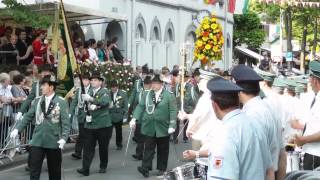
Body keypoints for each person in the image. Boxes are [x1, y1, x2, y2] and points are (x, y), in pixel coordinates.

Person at [183, 77, 269, 180]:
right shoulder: (255, 123)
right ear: (238, 101)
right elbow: (269, 169)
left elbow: (221, 176)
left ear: (214, 106)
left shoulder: (224, 132)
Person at [10, 74, 70, 180]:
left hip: (54, 140)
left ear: (51, 87)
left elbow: (65, 123)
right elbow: (28, 117)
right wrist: (17, 129)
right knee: (34, 170)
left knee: (54, 172)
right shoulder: (38, 100)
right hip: (38, 140)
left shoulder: (61, 102)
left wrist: (64, 138)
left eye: (44, 85)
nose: (41, 87)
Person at [231, 64, 285, 179]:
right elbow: (281, 153)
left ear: (238, 90)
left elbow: (254, 158)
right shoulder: (269, 108)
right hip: (271, 174)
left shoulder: (251, 115)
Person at [130, 74, 177, 177]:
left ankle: (162, 168)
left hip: (163, 126)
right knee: (148, 148)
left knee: (163, 149)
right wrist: (134, 118)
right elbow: (140, 106)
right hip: (149, 126)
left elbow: (173, 110)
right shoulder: (147, 94)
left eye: (156, 83)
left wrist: (172, 125)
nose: (154, 85)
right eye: (153, 83)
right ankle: (145, 168)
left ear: (161, 84)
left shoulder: (169, 95)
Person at [17, 64, 54, 171]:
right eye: (43, 71)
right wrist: (21, 111)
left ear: (50, 73)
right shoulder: (36, 84)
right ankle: (31, 164)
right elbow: (29, 99)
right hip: (37, 118)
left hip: (51, 119)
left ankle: (53, 163)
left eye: (47, 72)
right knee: (34, 142)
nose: (45, 73)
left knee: (50, 142)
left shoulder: (56, 84)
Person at [77, 72, 112, 176]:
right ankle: (85, 168)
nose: (93, 82)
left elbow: (105, 102)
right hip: (90, 124)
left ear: (100, 82)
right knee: (88, 147)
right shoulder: (90, 91)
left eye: (95, 80)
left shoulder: (104, 91)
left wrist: (91, 100)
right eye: (91, 80)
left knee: (103, 147)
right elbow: (85, 105)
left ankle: (103, 165)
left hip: (103, 125)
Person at [291, 60, 320, 170]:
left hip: (315, 155)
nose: (309, 82)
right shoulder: (316, 97)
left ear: (315, 80)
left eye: (310, 79)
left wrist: (304, 140)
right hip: (312, 153)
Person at [70, 73, 91, 160]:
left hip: (90, 115)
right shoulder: (79, 90)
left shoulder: (92, 90)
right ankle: (78, 152)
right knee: (82, 133)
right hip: (81, 115)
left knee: (89, 134)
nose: (84, 82)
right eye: (83, 80)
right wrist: (70, 112)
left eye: (86, 80)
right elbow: (74, 102)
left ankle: (88, 151)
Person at [132, 75, 152, 160]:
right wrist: (134, 116)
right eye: (145, 84)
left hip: (149, 119)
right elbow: (137, 104)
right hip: (140, 118)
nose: (146, 86)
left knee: (148, 139)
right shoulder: (140, 93)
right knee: (140, 138)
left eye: (147, 84)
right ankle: (139, 154)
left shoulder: (153, 93)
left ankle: (149, 154)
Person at [128, 64, 149, 142]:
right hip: (137, 105)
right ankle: (137, 137)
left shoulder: (150, 83)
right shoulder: (137, 82)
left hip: (146, 106)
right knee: (137, 121)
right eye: (142, 74)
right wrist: (129, 102)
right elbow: (133, 93)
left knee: (144, 123)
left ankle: (144, 137)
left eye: (145, 74)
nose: (143, 76)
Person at [109, 80, 128, 150]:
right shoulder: (108, 93)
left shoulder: (123, 94)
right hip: (110, 116)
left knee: (118, 131)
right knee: (108, 132)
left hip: (118, 115)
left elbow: (126, 106)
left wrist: (125, 116)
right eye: (112, 87)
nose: (113, 89)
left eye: (114, 87)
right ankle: (105, 143)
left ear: (117, 87)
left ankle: (119, 144)